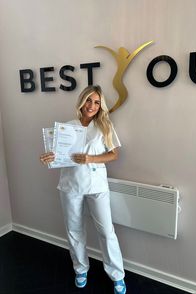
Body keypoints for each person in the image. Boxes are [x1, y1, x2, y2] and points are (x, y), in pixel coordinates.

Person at [40, 85, 126, 294]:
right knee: (74, 230)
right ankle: (80, 269)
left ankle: (117, 275)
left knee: (106, 231)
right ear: (82, 101)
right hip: (70, 185)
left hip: (97, 185)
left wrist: (90, 159)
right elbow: (57, 156)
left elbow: (114, 154)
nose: (92, 106)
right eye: (89, 100)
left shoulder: (105, 126)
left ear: (100, 106)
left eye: (97, 102)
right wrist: (48, 158)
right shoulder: (66, 127)